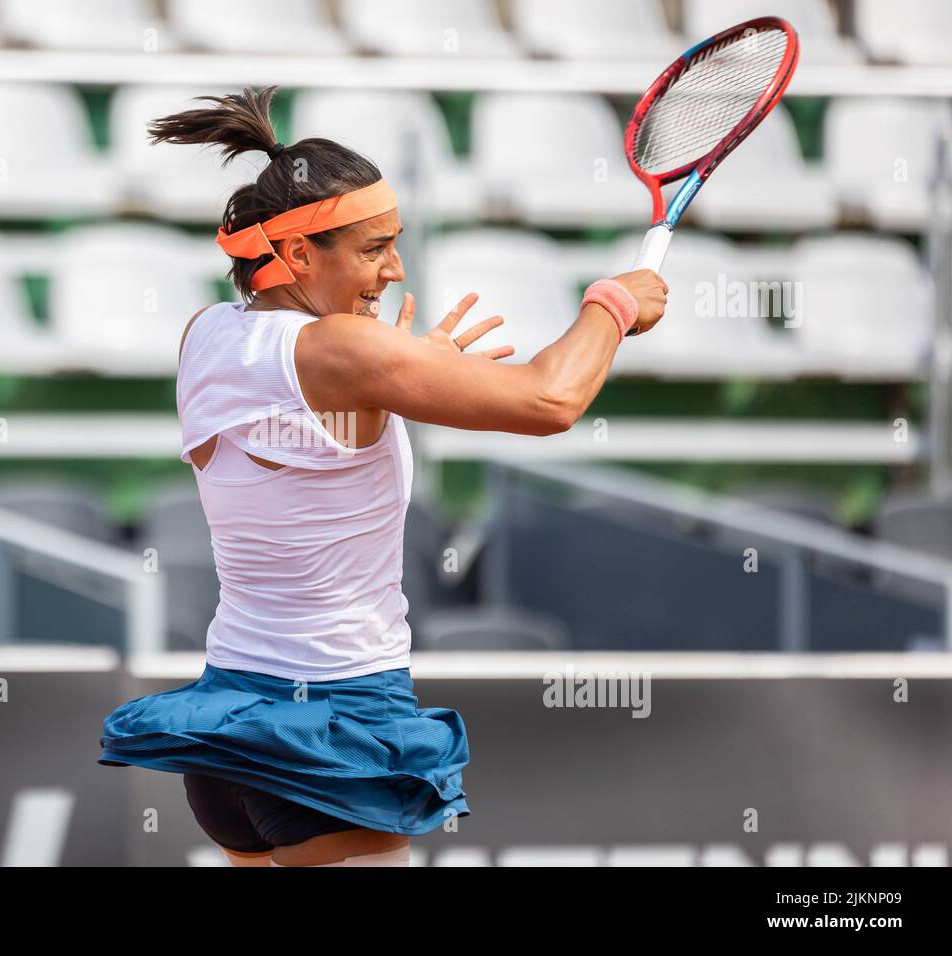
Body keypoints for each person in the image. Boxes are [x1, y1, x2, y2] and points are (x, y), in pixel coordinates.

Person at [99, 86, 668, 867]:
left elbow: (306, 435)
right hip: (331, 730)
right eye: (374, 249)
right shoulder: (340, 353)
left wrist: (395, 377)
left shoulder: (208, 334)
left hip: (230, 730)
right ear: (298, 255)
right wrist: (612, 304)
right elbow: (551, 399)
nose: (395, 269)